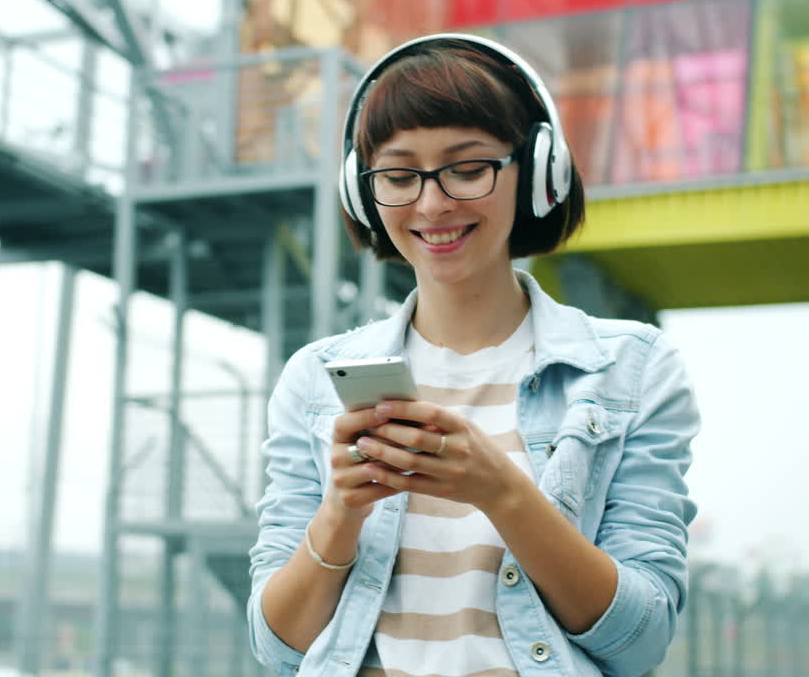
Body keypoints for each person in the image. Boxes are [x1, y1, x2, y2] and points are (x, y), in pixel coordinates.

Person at [246, 34, 698, 677]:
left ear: (539, 171)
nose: (432, 204)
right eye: (399, 176)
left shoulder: (631, 370)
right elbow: (275, 648)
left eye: (467, 168)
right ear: (361, 189)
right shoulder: (315, 380)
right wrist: (340, 513)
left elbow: (642, 640)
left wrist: (502, 493)